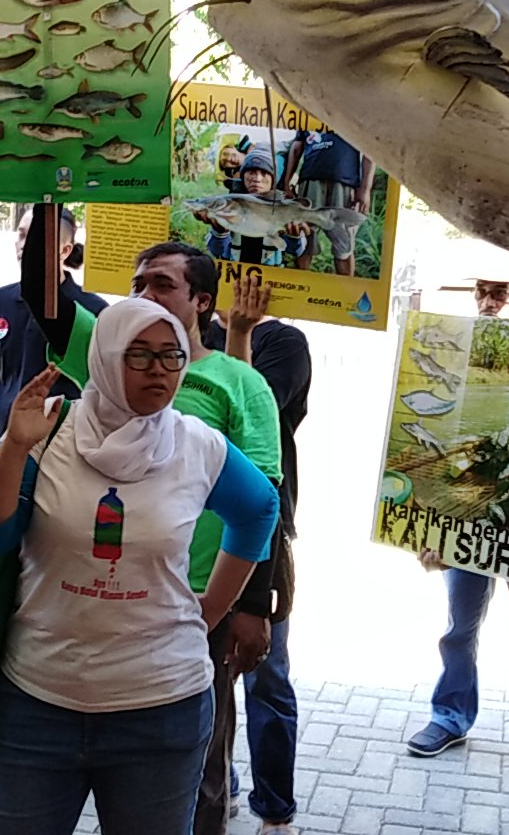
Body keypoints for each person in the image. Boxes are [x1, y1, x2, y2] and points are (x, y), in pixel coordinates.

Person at [0, 300, 281, 834]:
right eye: (139, 355)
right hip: (38, 706)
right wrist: (15, 446)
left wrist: (210, 610)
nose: (158, 368)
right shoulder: (51, 428)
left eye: (171, 355)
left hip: (161, 711)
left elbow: (258, 509)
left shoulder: (196, 445)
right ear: (104, 356)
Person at [407, 275, 509, 833]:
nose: (490, 303)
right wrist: (432, 526)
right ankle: (450, 714)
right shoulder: (460, 350)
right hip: (478, 528)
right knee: (458, 627)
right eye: (483, 294)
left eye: (502, 294)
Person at [203, 274, 311, 832]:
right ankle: (221, 792)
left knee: (264, 674)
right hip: (195, 541)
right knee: (208, 685)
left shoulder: (285, 343)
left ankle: (276, 806)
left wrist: (239, 333)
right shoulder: (186, 337)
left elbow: (248, 416)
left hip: (265, 536)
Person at [0, 207, 105, 450]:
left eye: (38, 238)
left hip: (61, 451)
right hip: (4, 447)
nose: (26, 245)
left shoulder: (92, 311)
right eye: (22, 234)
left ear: (65, 250)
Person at [278, 127, 373, 276]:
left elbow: (369, 148)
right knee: (304, 234)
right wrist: (286, 183)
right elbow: (297, 147)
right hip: (310, 178)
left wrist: (366, 189)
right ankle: (302, 285)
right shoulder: (309, 113)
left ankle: (345, 294)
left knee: (344, 241)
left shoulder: (353, 112)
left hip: (345, 181)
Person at [201, 148, 305, 267]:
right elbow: (215, 250)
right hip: (234, 272)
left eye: (264, 173)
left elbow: (296, 251)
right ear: (242, 176)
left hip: (269, 275)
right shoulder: (229, 205)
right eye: (251, 172)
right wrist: (219, 232)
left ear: (273, 180)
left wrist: (294, 237)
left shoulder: (284, 208)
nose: (257, 179)